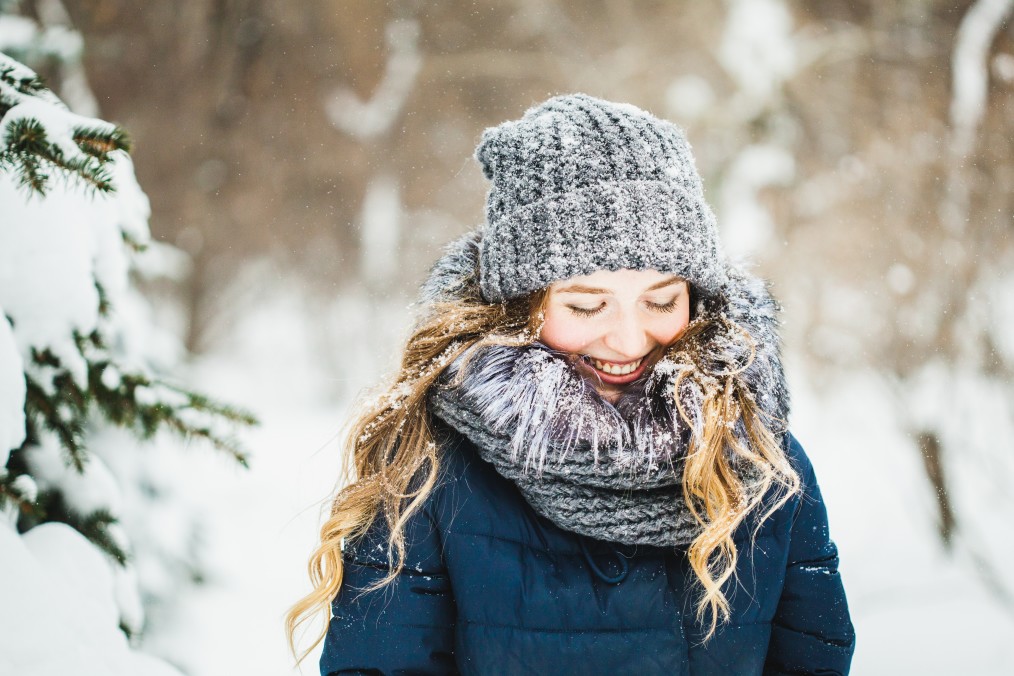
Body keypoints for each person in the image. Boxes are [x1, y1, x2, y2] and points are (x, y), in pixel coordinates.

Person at [287, 93, 856, 674]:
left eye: (661, 300)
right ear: (520, 306)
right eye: (588, 306)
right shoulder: (431, 471)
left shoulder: (760, 460)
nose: (631, 341)